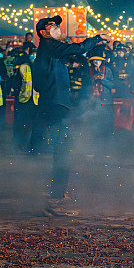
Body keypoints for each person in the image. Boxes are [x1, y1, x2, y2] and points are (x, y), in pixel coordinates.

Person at [31, 15, 109, 217]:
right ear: (43, 33)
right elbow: (76, 48)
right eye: (52, 25)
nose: (57, 27)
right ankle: (55, 200)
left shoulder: (49, 52)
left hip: (56, 105)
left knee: (63, 150)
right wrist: (95, 39)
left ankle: (57, 195)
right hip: (56, 106)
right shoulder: (49, 47)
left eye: (57, 24)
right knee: (63, 152)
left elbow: (39, 84)